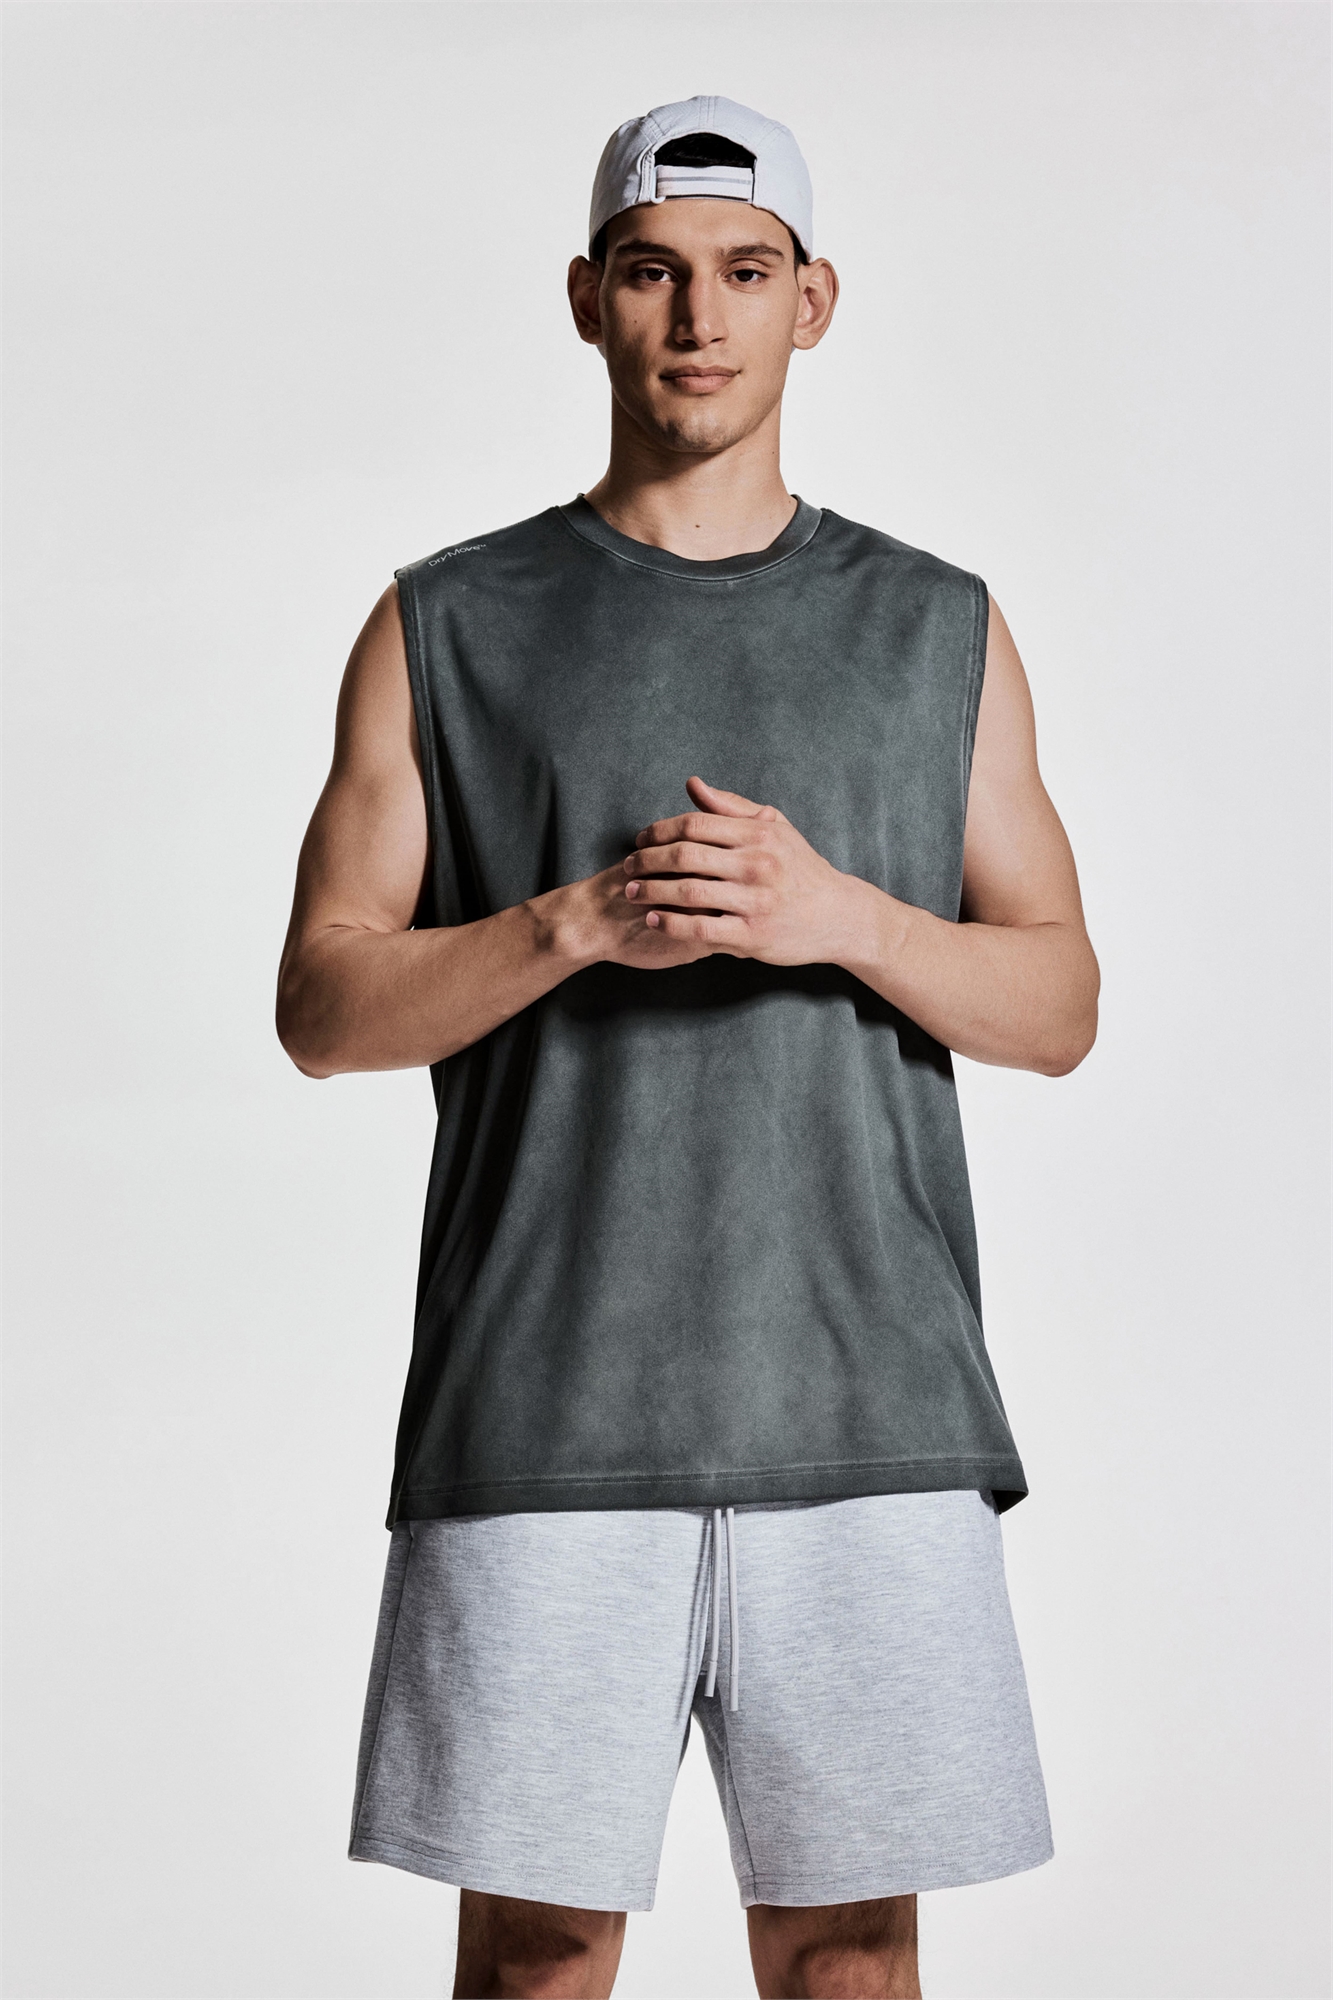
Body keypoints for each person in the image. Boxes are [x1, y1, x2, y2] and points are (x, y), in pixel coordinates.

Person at [277, 93, 1099, 2000]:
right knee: (536, 1965)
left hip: (869, 1414)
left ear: (814, 302)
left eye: (744, 272)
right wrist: (571, 923)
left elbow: (1058, 1003)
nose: (699, 318)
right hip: (540, 1414)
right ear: (588, 299)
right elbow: (320, 1005)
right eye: (653, 273)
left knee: (848, 1967)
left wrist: (844, 918)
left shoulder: (938, 625)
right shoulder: (442, 623)